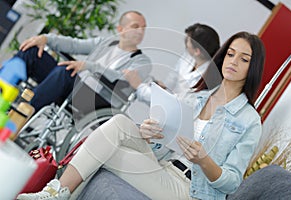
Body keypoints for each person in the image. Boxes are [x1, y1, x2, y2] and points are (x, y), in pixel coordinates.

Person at [17, 31, 265, 200]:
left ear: (252, 67)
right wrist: (150, 134)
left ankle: (56, 192)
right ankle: (54, 193)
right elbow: (164, 145)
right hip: (162, 165)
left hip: (190, 190)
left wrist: (204, 160)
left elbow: (232, 183)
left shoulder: (249, 121)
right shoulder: (198, 97)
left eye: (244, 59)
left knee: (104, 150)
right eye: (230, 54)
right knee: (121, 123)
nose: (233, 61)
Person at [12, 11, 151, 112]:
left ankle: (19, 114)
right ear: (120, 29)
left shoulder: (142, 61)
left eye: (143, 28)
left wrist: (89, 66)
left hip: (97, 102)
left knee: (64, 73)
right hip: (74, 85)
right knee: (32, 52)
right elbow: (74, 45)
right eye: (135, 26)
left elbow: (122, 78)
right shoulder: (105, 43)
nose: (140, 32)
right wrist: (45, 39)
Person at [123, 23, 220, 104]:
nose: (185, 44)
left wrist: (139, 86)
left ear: (197, 51)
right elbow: (172, 79)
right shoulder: (188, 58)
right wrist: (163, 86)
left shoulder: (208, 80)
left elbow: (173, 103)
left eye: (187, 41)